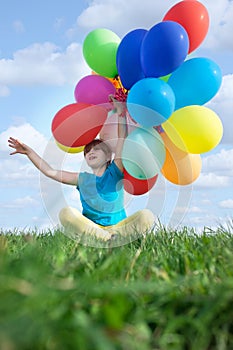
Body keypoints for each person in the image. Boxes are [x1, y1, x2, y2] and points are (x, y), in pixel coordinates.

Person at [8, 95, 155, 243]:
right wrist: (29, 152)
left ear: (107, 157)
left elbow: (122, 138)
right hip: (93, 228)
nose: (91, 152)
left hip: (118, 227)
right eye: (87, 152)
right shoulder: (82, 179)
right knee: (66, 213)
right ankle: (107, 239)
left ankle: (112, 237)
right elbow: (50, 171)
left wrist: (120, 113)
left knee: (147, 215)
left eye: (96, 149)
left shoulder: (115, 171)